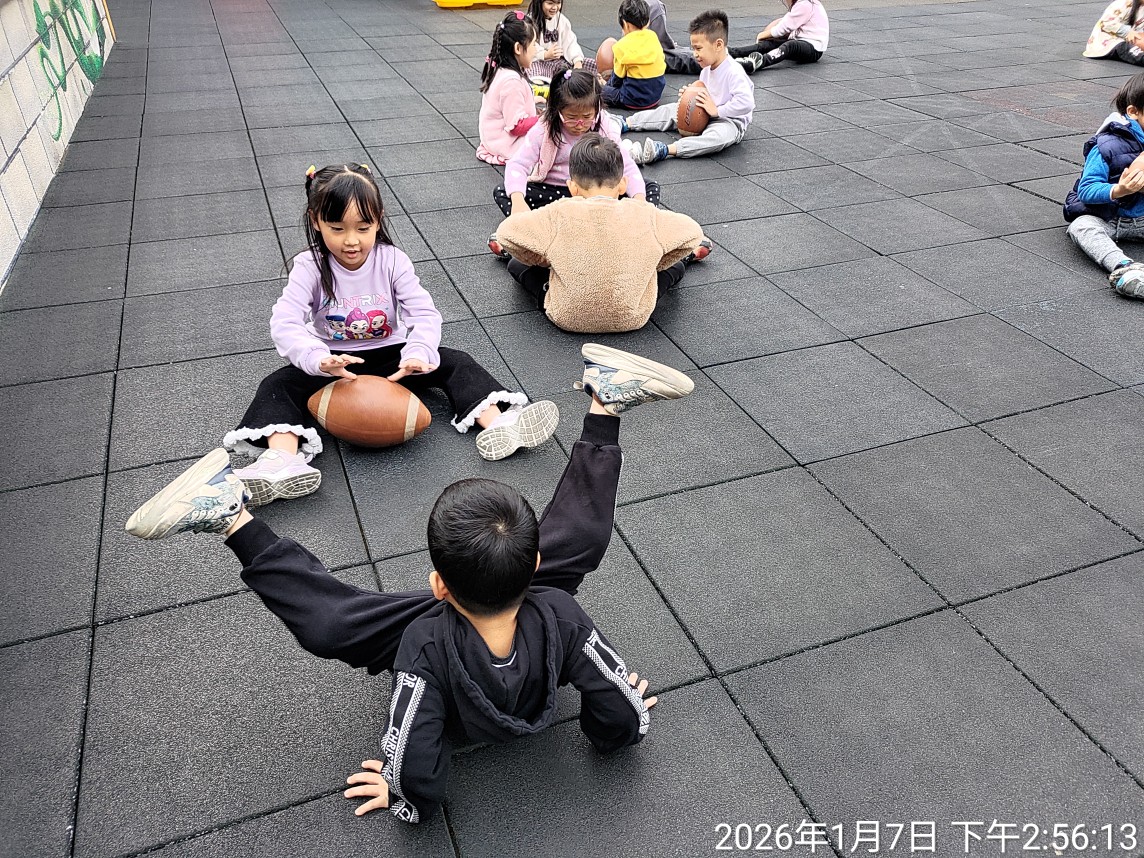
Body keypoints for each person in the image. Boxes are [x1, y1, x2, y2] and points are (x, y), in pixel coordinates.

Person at [124, 343, 696, 825]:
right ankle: (605, 403)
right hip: (528, 611)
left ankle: (230, 516)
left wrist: (406, 794)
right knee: (580, 538)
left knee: (334, 621)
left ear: (438, 586)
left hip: (453, 642)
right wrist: (622, 722)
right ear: (536, 565)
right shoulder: (561, 614)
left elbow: (415, 749)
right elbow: (620, 708)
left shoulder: (422, 643)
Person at [223, 164, 559, 506]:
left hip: (392, 357)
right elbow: (285, 321)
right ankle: (283, 460)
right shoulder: (310, 266)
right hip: (336, 364)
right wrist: (318, 358)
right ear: (316, 221)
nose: (351, 240)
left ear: (378, 220)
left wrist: (417, 353)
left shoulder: (392, 261)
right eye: (337, 228)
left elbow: (424, 313)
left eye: (363, 228)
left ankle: (499, 424)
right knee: (278, 384)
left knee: (456, 361)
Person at [497, 133, 710, 332]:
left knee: (516, 264)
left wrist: (541, 260)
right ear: (623, 184)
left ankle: (547, 290)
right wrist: (655, 262)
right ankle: (670, 266)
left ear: (572, 187)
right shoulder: (643, 211)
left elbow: (506, 232)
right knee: (676, 266)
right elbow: (692, 232)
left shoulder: (560, 211)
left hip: (567, 317)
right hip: (632, 316)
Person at [488, 69, 660, 255]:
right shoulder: (544, 129)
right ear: (557, 110)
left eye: (586, 117)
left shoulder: (604, 126)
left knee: (648, 187)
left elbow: (626, 165)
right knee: (504, 191)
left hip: (596, 193)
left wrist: (639, 202)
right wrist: (518, 201)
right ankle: (532, 241)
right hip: (558, 195)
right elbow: (518, 165)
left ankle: (631, 235)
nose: (579, 124)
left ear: (597, 110)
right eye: (571, 118)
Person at [622, 9, 755, 165]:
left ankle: (665, 149)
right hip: (707, 112)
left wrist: (718, 111)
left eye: (698, 48)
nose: (694, 54)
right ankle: (627, 123)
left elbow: (747, 103)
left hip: (729, 121)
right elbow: (706, 93)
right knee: (671, 109)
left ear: (718, 45)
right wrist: (690, 95)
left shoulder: (734, 71)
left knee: (717, 137)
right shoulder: (706, 70)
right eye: (693, 49)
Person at [1064, 73, 1144, 298]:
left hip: (1141, 218)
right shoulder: (1106, 145)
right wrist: (1120, 189)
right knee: (1081, 227)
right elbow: (1086, 190)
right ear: (1133, 112)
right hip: (1108, 217)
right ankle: (1124, 267)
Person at [478, 11, 542, 166]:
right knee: (552, 136)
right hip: (506, 144)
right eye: (534, 44)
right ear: (518, 48)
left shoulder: (502, 70)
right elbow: (516, 126)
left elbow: (506, 105)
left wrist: (532, 101)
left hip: (493, 139)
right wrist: (543, 119)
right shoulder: (511, 82)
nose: (536, 49)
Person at [601, 0, 666, 110]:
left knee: (596, 90)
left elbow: (616, 79)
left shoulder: (621, 46)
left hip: (632, 100)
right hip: (655, 97)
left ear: (625, 24)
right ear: (648, 22)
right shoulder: (653, 37)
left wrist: (606, 87)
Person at [526, 0, 597, 78]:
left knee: (593, 65)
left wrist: (577, 61)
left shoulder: (562, 20)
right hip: (540, 62)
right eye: (550, 3)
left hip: (561, 61)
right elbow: (528, 46)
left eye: (558, 3)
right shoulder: (529, 22)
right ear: (539, 3)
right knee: (535, 73)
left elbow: (570, 43)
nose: (555, 7)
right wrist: (545, 54)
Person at [1084, 0, 1144, 66]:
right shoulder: (1122, 3)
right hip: (1110, 41)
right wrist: (1127, 31)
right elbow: (1106, 23)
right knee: (1130, 50)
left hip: (1128, 38)